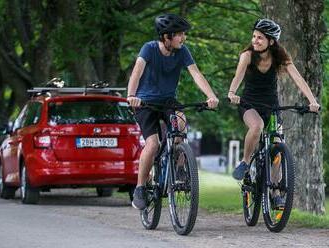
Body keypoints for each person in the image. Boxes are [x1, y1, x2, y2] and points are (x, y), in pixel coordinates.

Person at [127, 13, 219, 210]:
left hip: (168, 101)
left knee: (181, 125)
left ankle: (178, 169)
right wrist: (131, 96)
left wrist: (211, 96)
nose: (183, 38)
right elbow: (137, 71)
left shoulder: (182, 51)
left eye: (183, 34)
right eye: (179, 35)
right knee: (152, 144)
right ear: (166, 36)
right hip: (145, 102)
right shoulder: (149, 49)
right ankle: (141, 187)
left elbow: (196, 73)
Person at [228, 19, 320, 206]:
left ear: (271, 41)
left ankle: (275, 189)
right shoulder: (247, 55)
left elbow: (298, 79)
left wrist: (312, 101)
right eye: (254, 36)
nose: (255, 40)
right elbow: (238, 77)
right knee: (257, 126)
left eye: (260, 38)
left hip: (271, 106)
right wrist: (231, 93)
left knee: (278, 144)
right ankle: (245, 162)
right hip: (249, 104)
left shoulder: (280, 58)